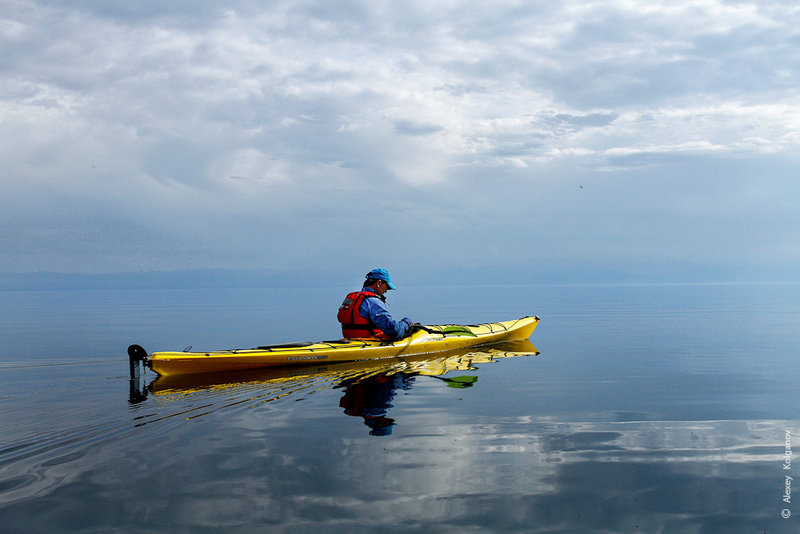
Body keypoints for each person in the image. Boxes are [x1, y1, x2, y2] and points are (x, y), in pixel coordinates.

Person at [337, 268, 414, 341]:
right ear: (379, 283)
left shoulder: (353, 297)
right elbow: (393, 330)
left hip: (350, 340)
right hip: (368, 342)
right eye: (386, 287)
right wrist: (406, 323)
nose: (386, 291)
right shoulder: (373, 301)